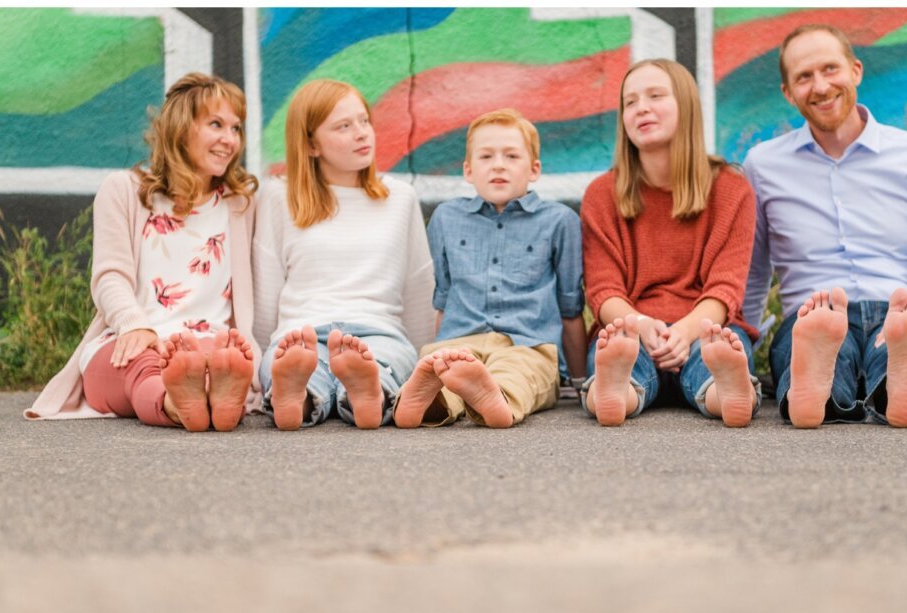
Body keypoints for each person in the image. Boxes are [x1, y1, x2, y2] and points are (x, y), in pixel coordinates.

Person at [742, 24, 907, 429]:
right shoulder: (762, 166)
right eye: (804, 77)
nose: (820, 86)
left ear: (855, 70)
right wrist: (741, 353)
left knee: (905, 343)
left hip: (902, 310)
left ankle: (897, 385)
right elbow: (751, 276)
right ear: (787, 92)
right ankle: (818, 391)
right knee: (811, 342)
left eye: (830, 69)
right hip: (813, 313)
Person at [25, 73, 261, 431]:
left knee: (225, 362)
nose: (230, 140)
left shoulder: (241, 205)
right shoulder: (125, 190)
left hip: (209, 344)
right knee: (143, 366)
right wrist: (134, 325)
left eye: (236, 128)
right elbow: (109, 276)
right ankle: (174, 401)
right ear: (181, 127)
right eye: (216, 125)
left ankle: (216, 397)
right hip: (129, 340)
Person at [580, 59, 761, 428]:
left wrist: (684, 331)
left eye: (655, 96)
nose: (641, 107)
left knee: (717, 351)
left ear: (687, 106)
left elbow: (726, 288)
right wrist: (643, 326)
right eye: (630, 102)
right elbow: (603, 291)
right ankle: (614, 392)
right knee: (618, 350)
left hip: (705, 326)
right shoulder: (602, 195)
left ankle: (728, 393)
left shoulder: (731, 188)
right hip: (631, 328)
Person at [252, 79, 435, 431]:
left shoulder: (400, 197)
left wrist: (422, 355)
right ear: (310, 144)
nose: (362, 133)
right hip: (302, 334)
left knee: (384, 364)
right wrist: (264, 358)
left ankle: (367, 393)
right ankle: (296, 397)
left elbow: (418, 285)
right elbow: (267, 287)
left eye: (364, 121)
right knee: (288, 362)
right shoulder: (278, 197)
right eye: (343, 126)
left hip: (379, 332)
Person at [393, 108, 587, 429]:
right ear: (468, 171)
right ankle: (428, 402)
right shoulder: (446, 218)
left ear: (534, 169)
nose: (498, 164)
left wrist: (579, 381)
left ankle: (494, 397)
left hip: (526, 344)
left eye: (511, 156)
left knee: (518, 373)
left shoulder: (559, 221)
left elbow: (571, 307)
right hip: (458, 342)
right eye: (486, 157)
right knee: (444, 367)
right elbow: (442, 298)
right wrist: (438, 346)